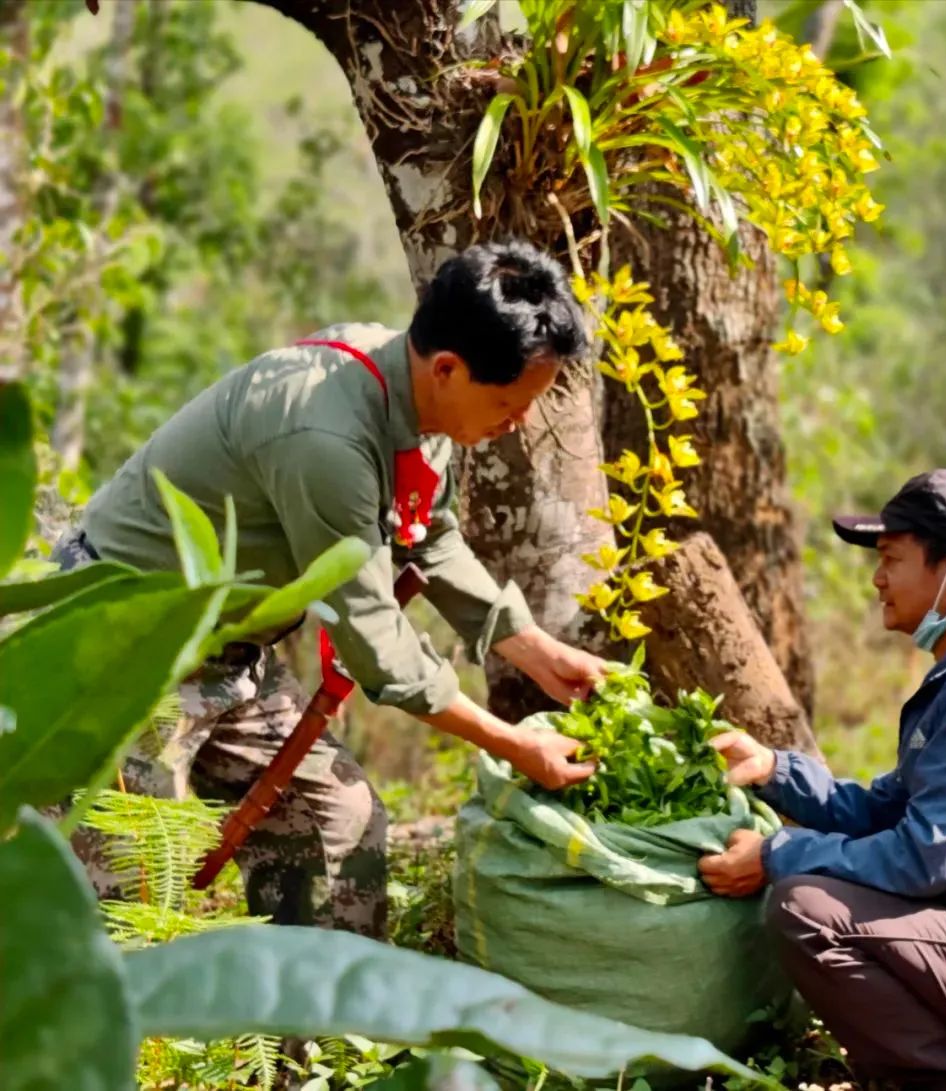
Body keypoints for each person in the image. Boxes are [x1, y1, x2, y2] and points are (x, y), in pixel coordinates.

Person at [55, 239, 604, 938]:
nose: (517, 422)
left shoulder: (420, 402)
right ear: (447, 367)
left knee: (335, 828)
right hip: (123, 649)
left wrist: (534, 649)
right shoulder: (326, 435)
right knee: (128, 888)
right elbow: (375, 638)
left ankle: (304, 1046)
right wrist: (511, 743)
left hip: (229, 654)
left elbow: (428, 534)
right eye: (507, 402)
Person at [698, 469, 946, 1089]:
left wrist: (777, 853)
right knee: (814, 893)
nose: (877, 579)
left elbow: (927, 857)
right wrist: (774, 771)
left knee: (806, 910)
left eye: (891, 559)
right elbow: (888, 811)